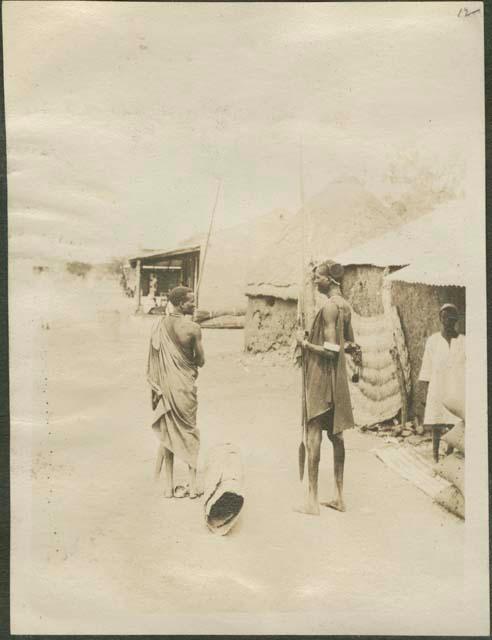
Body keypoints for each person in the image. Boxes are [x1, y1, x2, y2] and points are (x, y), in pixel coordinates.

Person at [295, 260, 356, 515]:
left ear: (330, 280)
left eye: (318, 277)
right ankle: (340, 497)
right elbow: (350, 344)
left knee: (313, 433)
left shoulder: (330, 308)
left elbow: (331, 351)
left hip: (322, 377)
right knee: (337, 435)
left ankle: (312, 500)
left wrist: (305, 343)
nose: (315, 281)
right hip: (338, 380)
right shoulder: (345, 306)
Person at [147, 286, 205, 498]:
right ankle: (192, 485)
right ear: (181, 303)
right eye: (191, 301)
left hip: (166, 388)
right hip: (184, 387)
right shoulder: (193, 328)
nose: (194, 304)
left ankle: (169, 487)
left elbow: (153, 361)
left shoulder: (159, 326)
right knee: (189, 430)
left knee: (169, 432)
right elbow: (201, 360)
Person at [418, 303, 464, 463]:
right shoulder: (433, 341)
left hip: (456, 387)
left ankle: (450, 454)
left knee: (454, 423)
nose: (448, 322)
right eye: (445, 317)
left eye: (451, 318)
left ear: (456, 320)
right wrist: (423, 393)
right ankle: (436, 456)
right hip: (438, 387)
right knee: (437, 423)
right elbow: (426, 368)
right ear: (440, 318)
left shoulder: (463, 341)